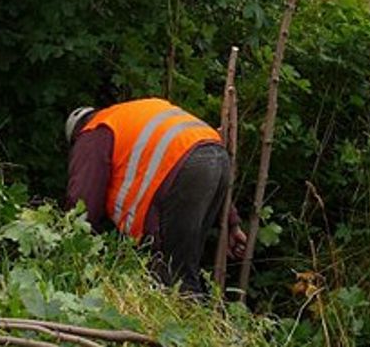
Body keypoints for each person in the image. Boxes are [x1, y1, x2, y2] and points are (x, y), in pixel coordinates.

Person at [65, 97, 247, 297]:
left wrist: (73, 241)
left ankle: (186, 321)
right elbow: (196, 153)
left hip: (186, 166)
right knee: (183, 261)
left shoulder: (93, 132)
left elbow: (84, 199)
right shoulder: (127, 115)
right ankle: (189, 315)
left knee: (175, 272)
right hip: (216, 155)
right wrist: (231, 223)